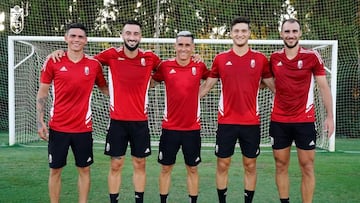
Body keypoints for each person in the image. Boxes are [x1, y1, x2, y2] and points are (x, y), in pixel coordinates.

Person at [200, 17, 274, 203]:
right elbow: (206, 87)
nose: (240, 34)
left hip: (251, 123)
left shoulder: (260, 59)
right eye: (236, 31)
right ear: (231, 34)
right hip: (227, 122)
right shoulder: (221, 59)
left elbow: (273, 86)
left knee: (250, 165)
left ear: (249, 33)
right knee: (223, 164)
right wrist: (186, 100)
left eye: (244, 31)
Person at [36, 22, 108, 203]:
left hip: (83, 129)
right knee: (55, 170)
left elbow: (105, 89)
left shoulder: (93, 65)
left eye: (80, 37)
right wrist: (40, 121)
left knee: (84, 169)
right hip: (58, 127)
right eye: (73, 36)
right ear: (66, 38)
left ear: (86, 40)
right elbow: (42, 92)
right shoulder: (53, 61)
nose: (76, 39)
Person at [269, 18, 334, 203]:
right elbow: (265, 81)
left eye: (294, 31)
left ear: (300, 33)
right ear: (281, 34)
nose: (291, 35)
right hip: (279, 121)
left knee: (307, 166)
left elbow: (323, 87)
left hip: (304, 120)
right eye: (287, 32)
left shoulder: (312, 57)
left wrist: (330, 116)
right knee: (281, 165)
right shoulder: (274, 58)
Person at [152, 31, 209, 203]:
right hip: (170, 129)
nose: (184, 48)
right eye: (180, 44)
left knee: (192, 168)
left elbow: (212, 78)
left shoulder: (199, 66)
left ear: (192, 48)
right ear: (175, 46)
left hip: (192, 129)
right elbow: (151, 82)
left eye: (187, 45)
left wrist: (199, 93)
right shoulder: (165, 66)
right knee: (165, 168)